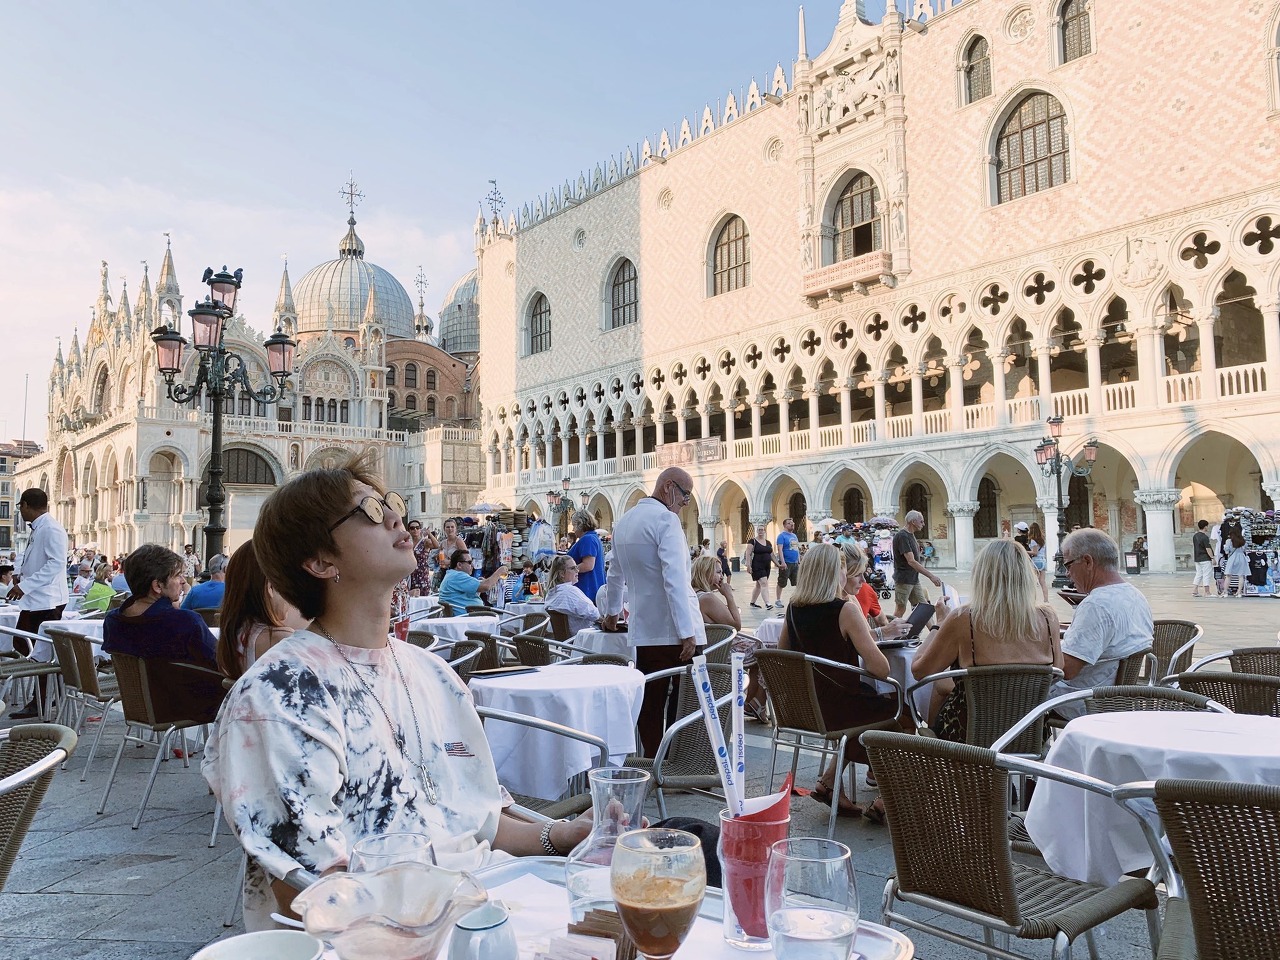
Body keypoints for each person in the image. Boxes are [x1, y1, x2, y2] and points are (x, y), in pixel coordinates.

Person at [202, 454, 609, 931]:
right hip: (391, 934)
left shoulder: (433, 673)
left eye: (391, 504)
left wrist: (562, 836)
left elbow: (480, 821)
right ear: (320, 561)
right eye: (370, 512)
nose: (397, 518)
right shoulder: (279, 694)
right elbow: (311, 892)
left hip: (493, 904)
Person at [778, 544, 896, 821]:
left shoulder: (793, 608)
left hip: (808, 709)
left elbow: (782, 656)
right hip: (842, 709)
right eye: (844, 569)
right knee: (901, 711)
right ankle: (890, 796)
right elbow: (881, 669)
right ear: (835, 573)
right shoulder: (845, 610)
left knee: (870, 706)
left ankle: (830, 782)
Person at [602, 467, 707, 757]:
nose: (685, 502)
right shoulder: (665, 520)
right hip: (675, 629)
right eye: (685, 495)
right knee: (687, 699)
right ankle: (677, 759)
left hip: (644, 629)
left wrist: (612, 613)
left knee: (651, 700)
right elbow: (674, 579)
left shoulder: (624, 521)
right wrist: (686, 631)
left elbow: (614, 574)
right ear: (668, 487)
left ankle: (652, 758)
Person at [912, 540, 1062, 736]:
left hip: (969, 736)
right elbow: (1058, 670)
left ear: (982, 576)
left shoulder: (964, 618)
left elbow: (919, 671)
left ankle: (936, 746)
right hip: (1031, 732)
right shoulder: (1049, 618)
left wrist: (939, 623)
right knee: (943, 685)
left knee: (940, 685)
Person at [1052, 529, 1153, 717]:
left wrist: (1039, 650)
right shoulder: (1135, 594)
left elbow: (1067, 669)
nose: (1067, 574)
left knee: (1017, 690)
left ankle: (1020, 735)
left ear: (1088, 562)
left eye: (1068, 565)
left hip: (1086, 701)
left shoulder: (1096, 605)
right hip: (1117, 697)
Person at [6, 488, 69, 718]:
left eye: (20, 506)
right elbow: (35, 558)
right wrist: (20, 575)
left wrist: (25, 586)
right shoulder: (39, 528)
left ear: (25, 505)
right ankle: (53, 689)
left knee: (39, 650)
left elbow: (55, 564)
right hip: (36, 601)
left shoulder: (51, 528)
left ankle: (42, 698)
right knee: (24, 644)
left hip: (47, 601)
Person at [216, 540, 308, 680]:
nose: (292, 599)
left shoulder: (234, 634)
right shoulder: (282, 640)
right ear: (270, 587)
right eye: (289, 587)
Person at [892, 510, 941, 617]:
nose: (923, 524)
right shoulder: (902, 536)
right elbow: (911, 561)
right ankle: (889, 627)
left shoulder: (910, 535)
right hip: (904, 579)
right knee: (900, 609)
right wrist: (931, 576)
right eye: (921, 521)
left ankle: (934, 627)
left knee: (923, 607)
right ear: (913, 522)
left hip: (913, 578)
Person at [545, 555, 601, 636]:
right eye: (573, 568)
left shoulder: (551, 593)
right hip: (583, 639)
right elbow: (595, 614)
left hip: (565, 641)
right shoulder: (569, 592)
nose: (577, 570)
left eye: (576, 567)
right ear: (562, 574)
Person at [438, 548, 508, 613]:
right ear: (459, 565)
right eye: (469, 562)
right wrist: (499, 571)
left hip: (467, 616)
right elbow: (486, 586)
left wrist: (479, 584)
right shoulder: (458, 576)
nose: (472, 565)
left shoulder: (452, 575)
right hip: (469, 618)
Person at [567, 510, 606, 603]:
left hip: (587, 590)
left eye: (574, 525)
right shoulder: (592, 538)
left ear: (579, 524)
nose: (573, 530)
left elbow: (588, 565)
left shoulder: (588, 539)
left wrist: (567, 572)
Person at [744, 524, 776, 609]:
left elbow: (772, 555)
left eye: (762, 530)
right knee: (764, 583)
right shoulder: (752, 541)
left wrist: (778, 564)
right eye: (759, 530)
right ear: (757, 531)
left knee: (759, 585)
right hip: (757, 565)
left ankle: (752, 602)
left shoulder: (768, 542)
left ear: (765, 531)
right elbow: (748, 553)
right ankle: (767, 603)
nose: (761, 531)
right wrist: (748, 565)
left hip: (767, 566)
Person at [407, 520, 440, 597]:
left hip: (422, 575)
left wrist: (429, 534)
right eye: (412, 528)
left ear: (420, 529)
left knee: (423, 596)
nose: (415, 530)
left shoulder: (425, 542)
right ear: (409, 531)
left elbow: (437, 546)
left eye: (417, 527)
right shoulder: (408, 543)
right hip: (411, 575)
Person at [775, 518, 801, 602]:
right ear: (785, 525)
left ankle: (798, 597)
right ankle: (778, 600)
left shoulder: (794, 536)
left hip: (795, 563)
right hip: (786, 562)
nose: (792, 524)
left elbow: (796, 548)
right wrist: (783, 562)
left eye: (792, 523)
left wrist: (798, 560)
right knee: (782, 582)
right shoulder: (781, 536)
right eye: (789, 523)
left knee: (798, 581)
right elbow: (780, 550)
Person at [1223, 526, 1251, 599]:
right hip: (1241, 558)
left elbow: (1226, 551)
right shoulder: (1243, 541)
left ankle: (1225, 592)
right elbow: (1244, 549)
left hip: (1232, 558)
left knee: (1228, 575)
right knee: (1241, 576)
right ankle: (1239, 592)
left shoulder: (1229, 541)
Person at [1026, 521, 1050, 603]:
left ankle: (1033, 600)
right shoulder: (1042, 540)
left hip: (1036, 561)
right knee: (1042, 582)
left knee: (1033, 581)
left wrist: (1025, 551)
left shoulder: (1033, 540)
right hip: (1043, 560)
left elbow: (1035, 552)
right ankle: (1046, 600)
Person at [1191, 519, 1215, 597]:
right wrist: (1212, 558)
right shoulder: (1205, 537)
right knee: (1206, 574)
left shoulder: (1195, 536)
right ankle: (1207, 592)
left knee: (1199, 574)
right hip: (1205, 558)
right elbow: (1208, 548)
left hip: (1197, 558)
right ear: (1205, 527)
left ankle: (1195, 590)